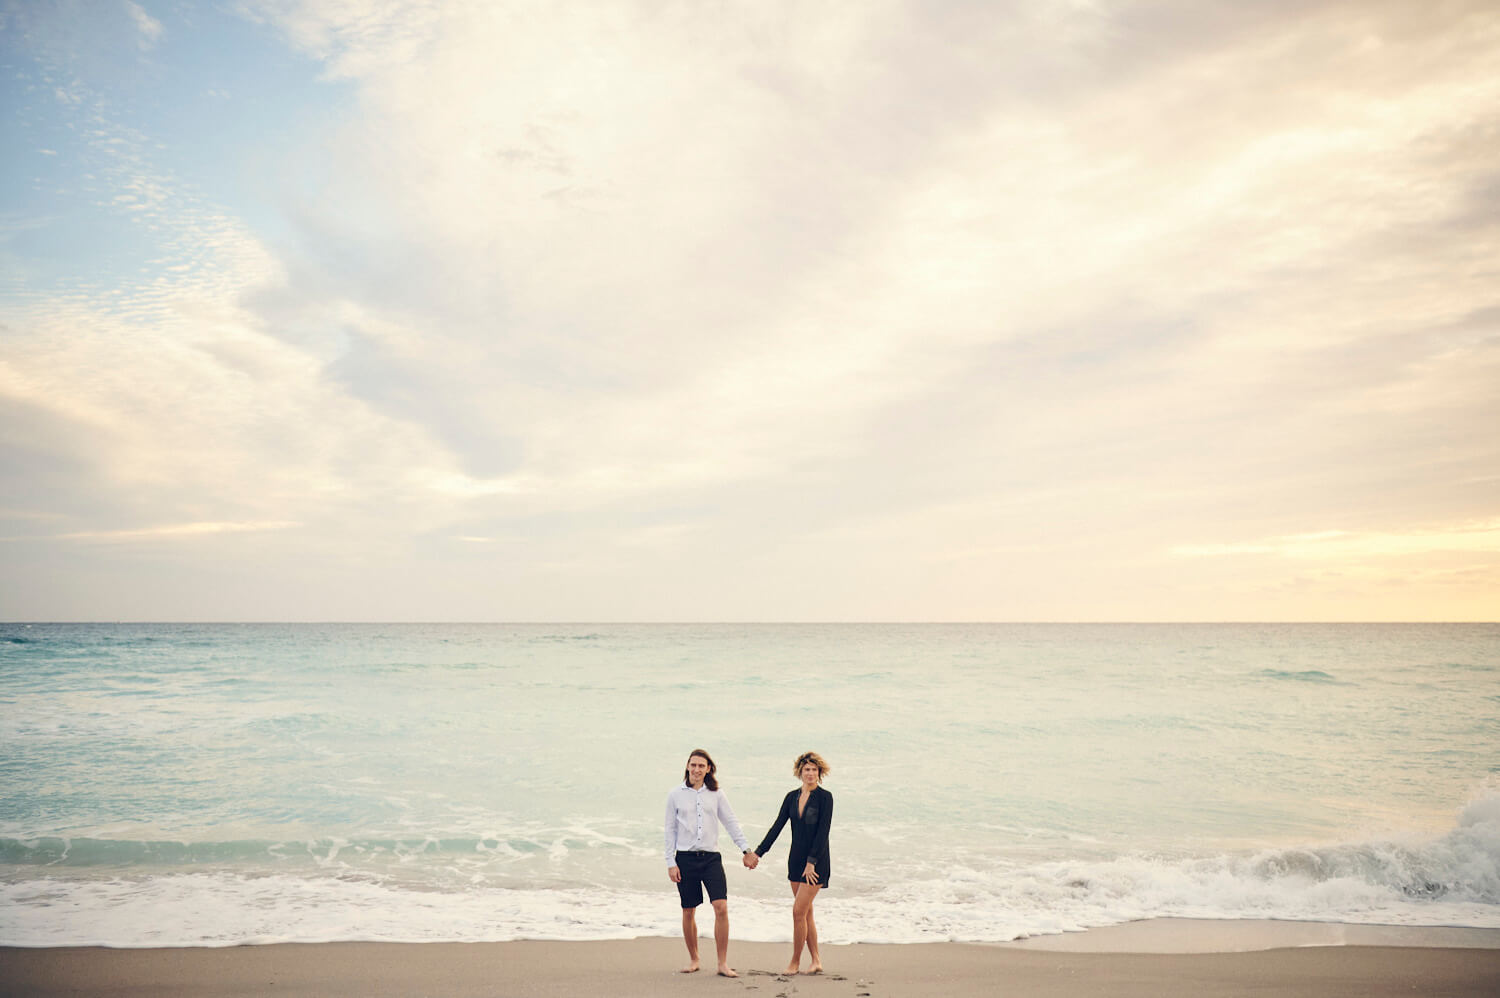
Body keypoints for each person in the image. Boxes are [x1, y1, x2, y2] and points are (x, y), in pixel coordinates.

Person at [664, 748, 759, 977]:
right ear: (687, 766)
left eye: (701, 766)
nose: (697, 769)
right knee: (688, 910)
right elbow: (670, 829)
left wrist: (746, 850)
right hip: (685, 859)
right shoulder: (675, 794)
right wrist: (670, 861)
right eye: (693, 765)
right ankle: (694, 959)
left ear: (708, 769)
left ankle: (722, 963)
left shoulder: (716, 794)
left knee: (721, 907)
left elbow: (731, 822)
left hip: (711, 859)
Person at [752, 751, 833, 975]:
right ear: (800, 772)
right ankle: (816, 960)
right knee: (806, 914)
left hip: (816, 863)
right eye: (806, 769)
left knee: (798, 912)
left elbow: (822, 833)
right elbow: (777, 827)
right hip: (795, 861)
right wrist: (758, 853)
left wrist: (812, 863)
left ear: (819, 773)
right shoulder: (791, 798)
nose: (810, 773)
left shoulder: (825, 798)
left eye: (814, 770)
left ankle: (795, 962)